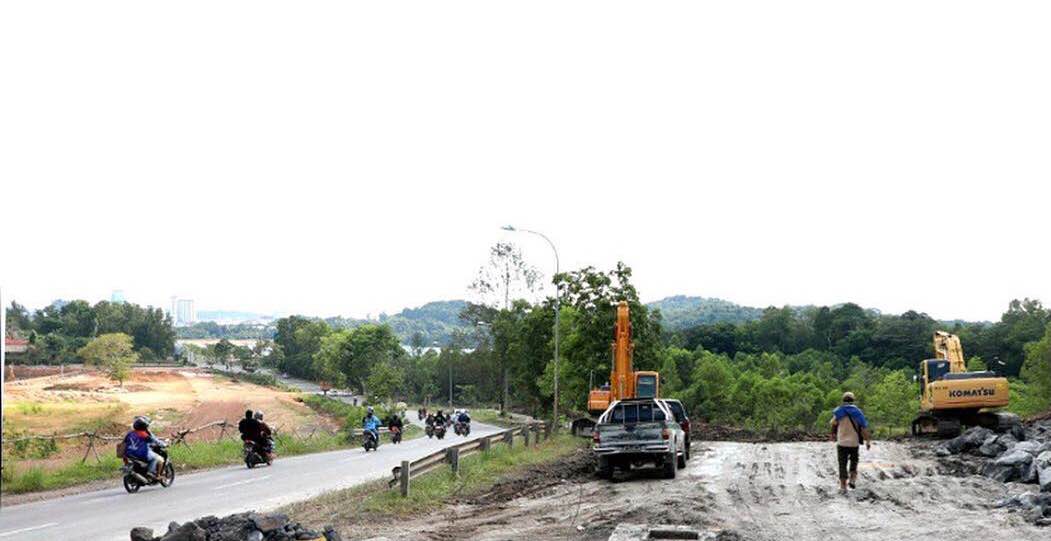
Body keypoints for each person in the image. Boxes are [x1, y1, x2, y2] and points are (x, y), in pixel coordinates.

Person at [830, 392, 871, 493]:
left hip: (842, 442)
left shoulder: (839, 412)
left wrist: (833, 434)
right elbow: (863, 429)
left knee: (842, 464)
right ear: (853, 400)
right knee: (854, 461)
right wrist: (868, 441)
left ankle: (843, 486)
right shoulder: (858, 413)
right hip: (854, 442)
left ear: (843, 400)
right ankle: (852, 479)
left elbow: (832, 423)